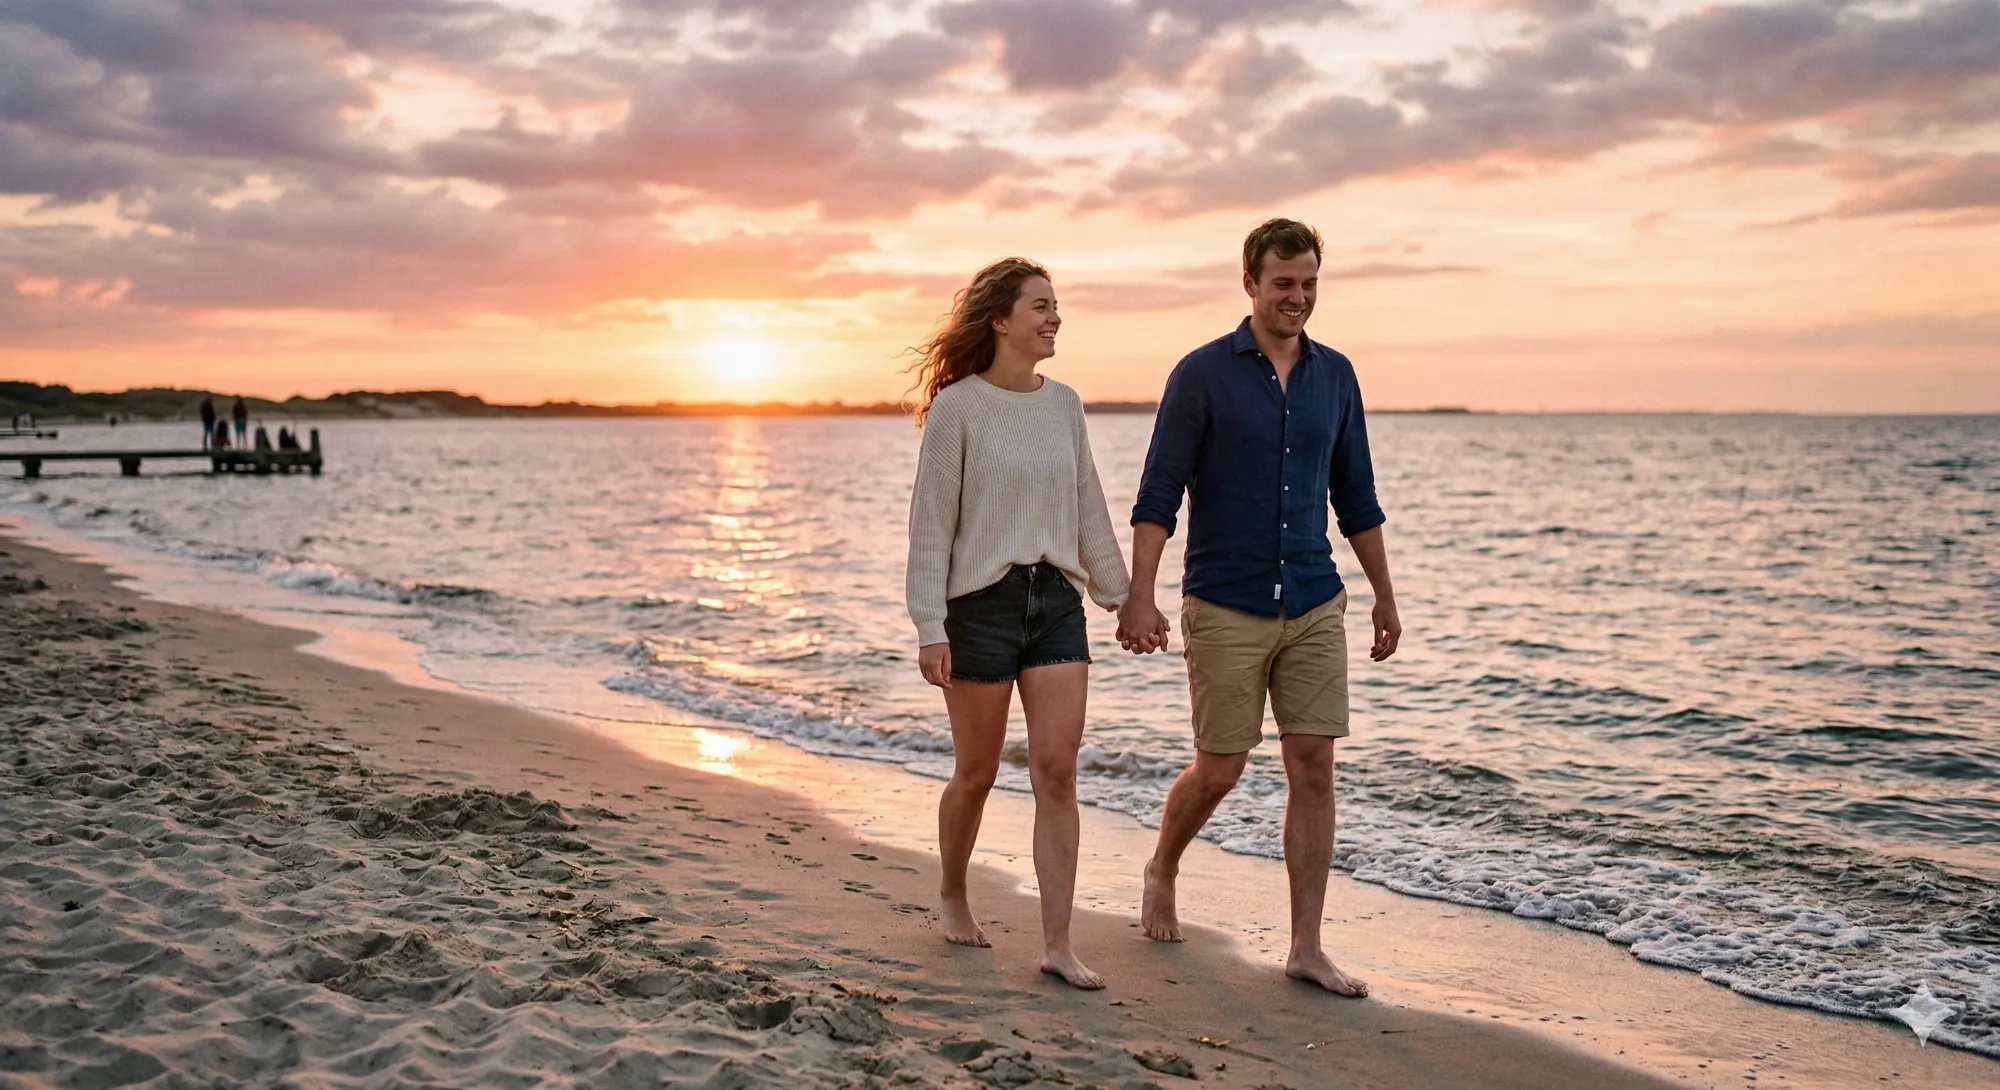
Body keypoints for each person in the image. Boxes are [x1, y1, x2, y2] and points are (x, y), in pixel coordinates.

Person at [1118, 218, 1402, 998]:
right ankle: (1163, 865)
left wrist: (1384, 594)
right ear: (1249, 283)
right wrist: (1140, 594)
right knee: (1222, 768)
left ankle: (1307, 945)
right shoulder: (1202, 374)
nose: (1298, 298)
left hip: (1315, 597)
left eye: (1309, 283)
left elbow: (1358, 497)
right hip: (1226, 601)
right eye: (1284, 283)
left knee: (1313, 765)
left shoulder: (1336, 377)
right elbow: (1158, 494)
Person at [905, 257, 1131, 990]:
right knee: (974, 772)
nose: (1055, 317)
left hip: (1055, 602)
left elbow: (1088, 507)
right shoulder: (958, 409)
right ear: (1000, 319)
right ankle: (952, 893)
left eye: (1057, 306)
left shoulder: (1065, 404)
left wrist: (1124, 597)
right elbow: (931, 528)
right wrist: (929, 626)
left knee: (1058, 773)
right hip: (981, 607)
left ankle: (1058, 944)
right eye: (1040, 306)